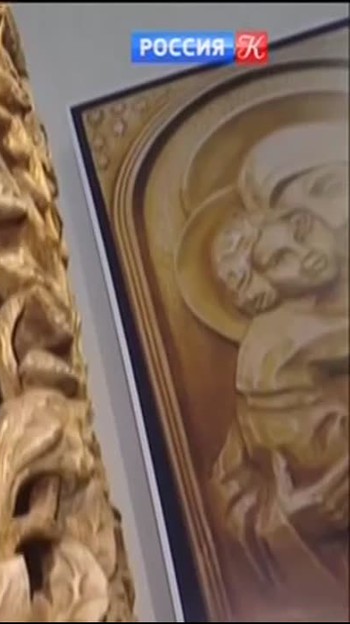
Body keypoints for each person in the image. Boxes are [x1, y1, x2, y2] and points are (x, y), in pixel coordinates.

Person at [187, 121, 349, 604]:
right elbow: (242, 501)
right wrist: (290, 523)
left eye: (332, 187)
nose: (331, 219)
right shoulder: (273, 363)